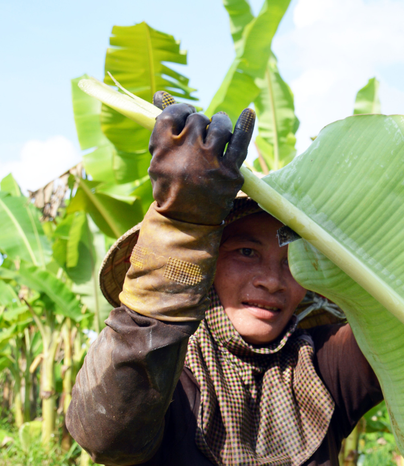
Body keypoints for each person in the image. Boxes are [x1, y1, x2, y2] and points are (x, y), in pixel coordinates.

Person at [66, 92, 383, 466]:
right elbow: (105, 435)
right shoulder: (169, 369)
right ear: (209, 262)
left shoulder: (323, 365)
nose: (272, 280)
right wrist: (182, 228)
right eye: (246, 252)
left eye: (293, 260)